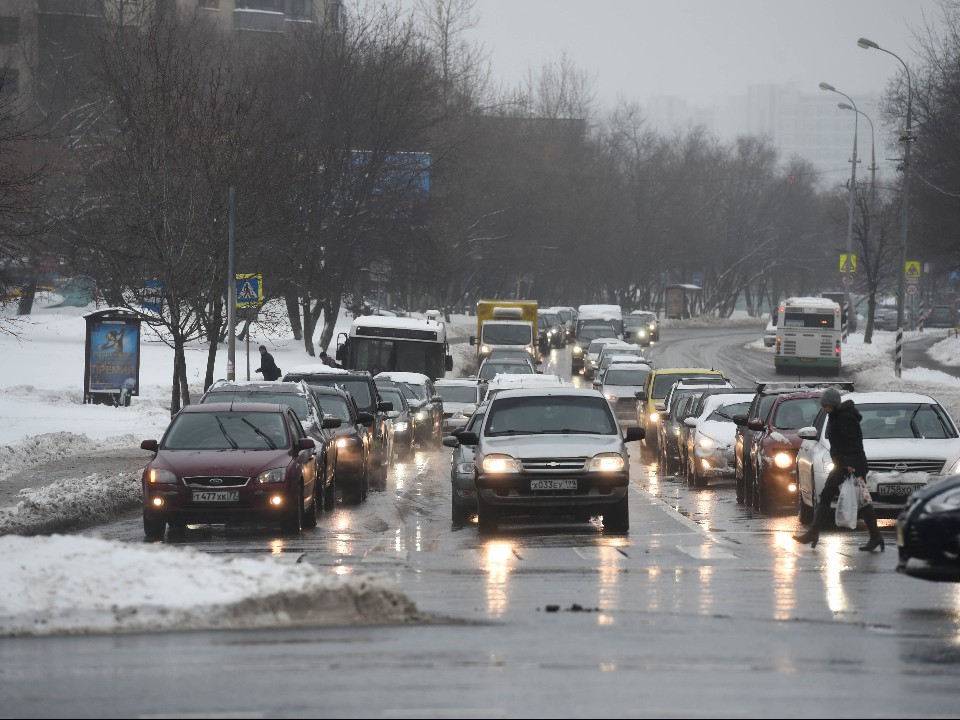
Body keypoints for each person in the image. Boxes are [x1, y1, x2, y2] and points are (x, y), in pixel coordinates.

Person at [793, 386, 884, 551]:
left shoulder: (845, 418)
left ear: (834, 405)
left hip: (850, 465)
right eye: (823, 405)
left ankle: (876, 536)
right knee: (831, 496)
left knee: (860, 500)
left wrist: (850, 465)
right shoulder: (836, 416)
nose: (824, 408)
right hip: (843, 464)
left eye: (827, 405)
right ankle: (813, 532)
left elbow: (852, 443)